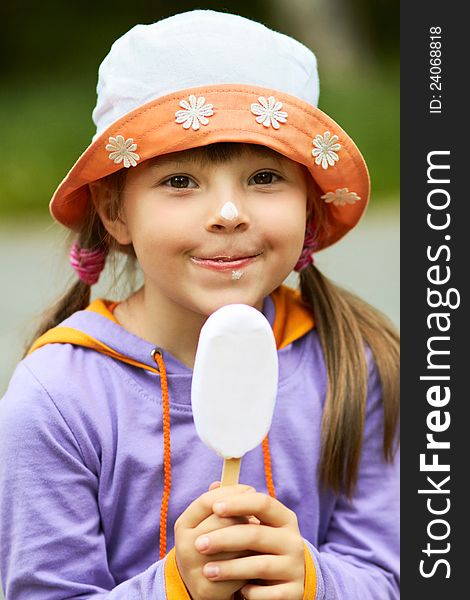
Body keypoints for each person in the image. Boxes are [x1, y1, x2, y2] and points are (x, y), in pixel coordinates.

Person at [0, 9, 399, 600]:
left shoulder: (358, 365)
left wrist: (315, 582)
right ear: (115, 212)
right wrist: (176, 587)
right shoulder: (57, 399)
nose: (229, 213)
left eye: (265, 177)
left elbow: (395, 576)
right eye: (179, 181)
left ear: (310, 207)